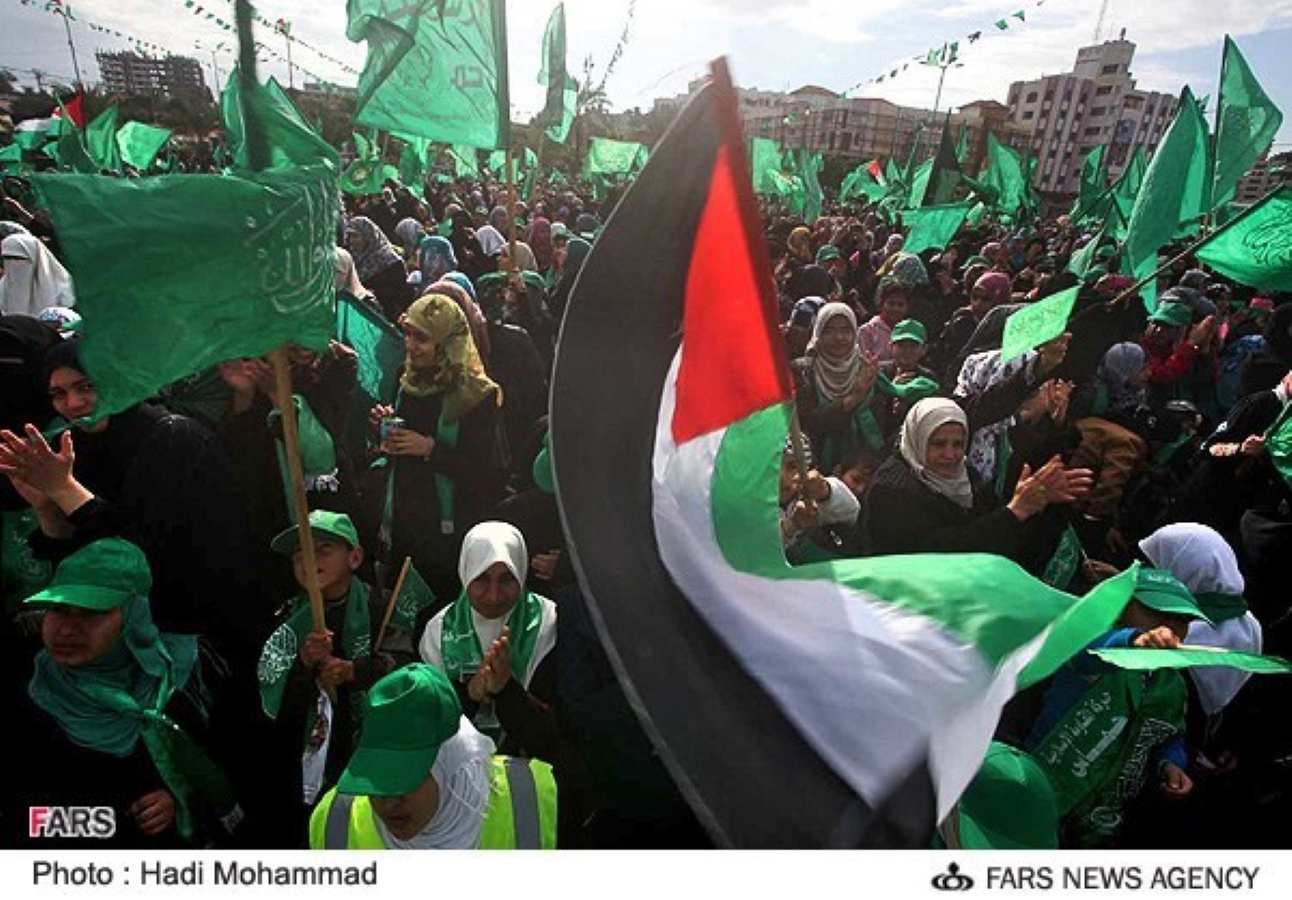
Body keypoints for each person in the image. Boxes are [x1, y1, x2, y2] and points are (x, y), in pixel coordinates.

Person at [8, 539, 244, 848]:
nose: (66, 629)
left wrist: (183, 800)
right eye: (58, 610)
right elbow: (26, 819)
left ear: (134, 616)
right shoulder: (31, 696)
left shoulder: (191, 670)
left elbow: (246, 759)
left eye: (92, 613)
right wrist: (120, 818)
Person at [258, 511, 424, 836]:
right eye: (300, 553)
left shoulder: (382, 605)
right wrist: (304, 663)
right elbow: (275, 698)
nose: (310, 560)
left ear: (355, 557)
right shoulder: (289, 618)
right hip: (312, 754)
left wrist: (352, 671)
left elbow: (405, 668)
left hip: (371, 744)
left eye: (324, 549)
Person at [1026, 568, 1209, 847]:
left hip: (1102, 817)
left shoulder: (1173, 682)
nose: (1169, 625)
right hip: (1041, 790)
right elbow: (1093, 653)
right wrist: (1134, 640)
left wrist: (1171, 764)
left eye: (1182, 619)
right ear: (1122, 606)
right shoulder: (1094, 646)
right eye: (1156, 611)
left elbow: (1171, 733)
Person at [309, 664, 557, 849]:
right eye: (376, 779)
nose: (388, 803)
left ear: (450, 762)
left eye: (405, 779)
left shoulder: (535, 799)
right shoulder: (334, 821)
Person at [368, 294, 509, 607]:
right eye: (407, 334)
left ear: (447, 342)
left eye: (421, 338)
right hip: (406, 520)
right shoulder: (406, 379)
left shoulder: (477, 395)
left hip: (449, 531)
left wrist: (431, 449)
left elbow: (486, 474)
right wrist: (383, 427)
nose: (410, 345)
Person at [862, 398, 1091, 565]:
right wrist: (1016, 510)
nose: (950, 455)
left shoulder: (965, 473)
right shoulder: (891, 490)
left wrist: (1036, 504)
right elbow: (937, 556)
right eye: (938, 444)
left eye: (958, 444)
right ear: (917, 440)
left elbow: (991, 525)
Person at [419, 521, 559, 761]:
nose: (494, 596)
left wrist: (506, 689)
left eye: (507, 579)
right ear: (465, 573)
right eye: (481, 578)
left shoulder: (550, 624)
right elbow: (428, 728)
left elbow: (556, 736)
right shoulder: (438, 632)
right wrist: (469, 694)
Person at [792, 302, 882, 473]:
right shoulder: (803, 370)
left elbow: (878, 425)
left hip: (861, 468)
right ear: (818, 332)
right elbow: (809, 422)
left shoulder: (867, 368)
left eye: (846, 331)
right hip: (814, 463)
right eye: (830, 331)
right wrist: (853, 397)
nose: (839, 338)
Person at [0, 232, 75, 316]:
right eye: (7, 258)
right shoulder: (3, 286)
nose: (13, 263)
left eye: (19, 258)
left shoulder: (62, 286)